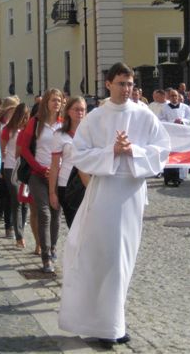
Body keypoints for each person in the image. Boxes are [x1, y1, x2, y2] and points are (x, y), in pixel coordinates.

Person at [58, 62, 171, 348]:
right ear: (108, 84)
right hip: (104, 194)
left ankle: (114, 322)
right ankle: (108, 326)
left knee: (124, 260)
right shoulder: (95, 118)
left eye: (130, 84)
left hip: (131, 193)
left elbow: (162, 150)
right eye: (121, 83)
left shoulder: (143, 115)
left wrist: (133, 150)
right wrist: (111, 151)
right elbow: (78, 154)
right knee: (106, 258)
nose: (126, 89)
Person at [17, 88, 63, 273]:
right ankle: (45, 256)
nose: (56, 103)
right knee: (44, 213)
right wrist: (39, 168)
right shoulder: (36, 123)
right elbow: (24, 149)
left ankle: (52, 247)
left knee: (56, 214)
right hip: (38, 174)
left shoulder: (64, 124)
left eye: (59, 100)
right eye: (53, 100)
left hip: (58, 175)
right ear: (46, 103)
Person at [49, 96, 89, 227]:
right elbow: (54, 166)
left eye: (82, 109)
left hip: (87, 184)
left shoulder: (90, 134)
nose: (80, 113)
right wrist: (52, 193)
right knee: (74, 227)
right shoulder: (59, 135)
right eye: (76, 109)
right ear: (68, 112)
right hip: (66, 185)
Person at [0, 102, 31, 247]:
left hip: (24, 169)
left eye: (27, 116)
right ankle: (19, 235)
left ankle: (21, 229)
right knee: (16, 200)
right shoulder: (8, 130)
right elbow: (2, 150)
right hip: (10, 168)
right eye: (24, 116)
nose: (26, 118)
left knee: (25, 202)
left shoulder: (28, 129)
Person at [0, 96, 19, 233]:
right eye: (13, 109)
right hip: (1, 163)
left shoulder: (20, 124)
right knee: (7, 195)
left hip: (16, 164)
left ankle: (14, 223)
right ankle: (9, 225)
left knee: (16, 197)